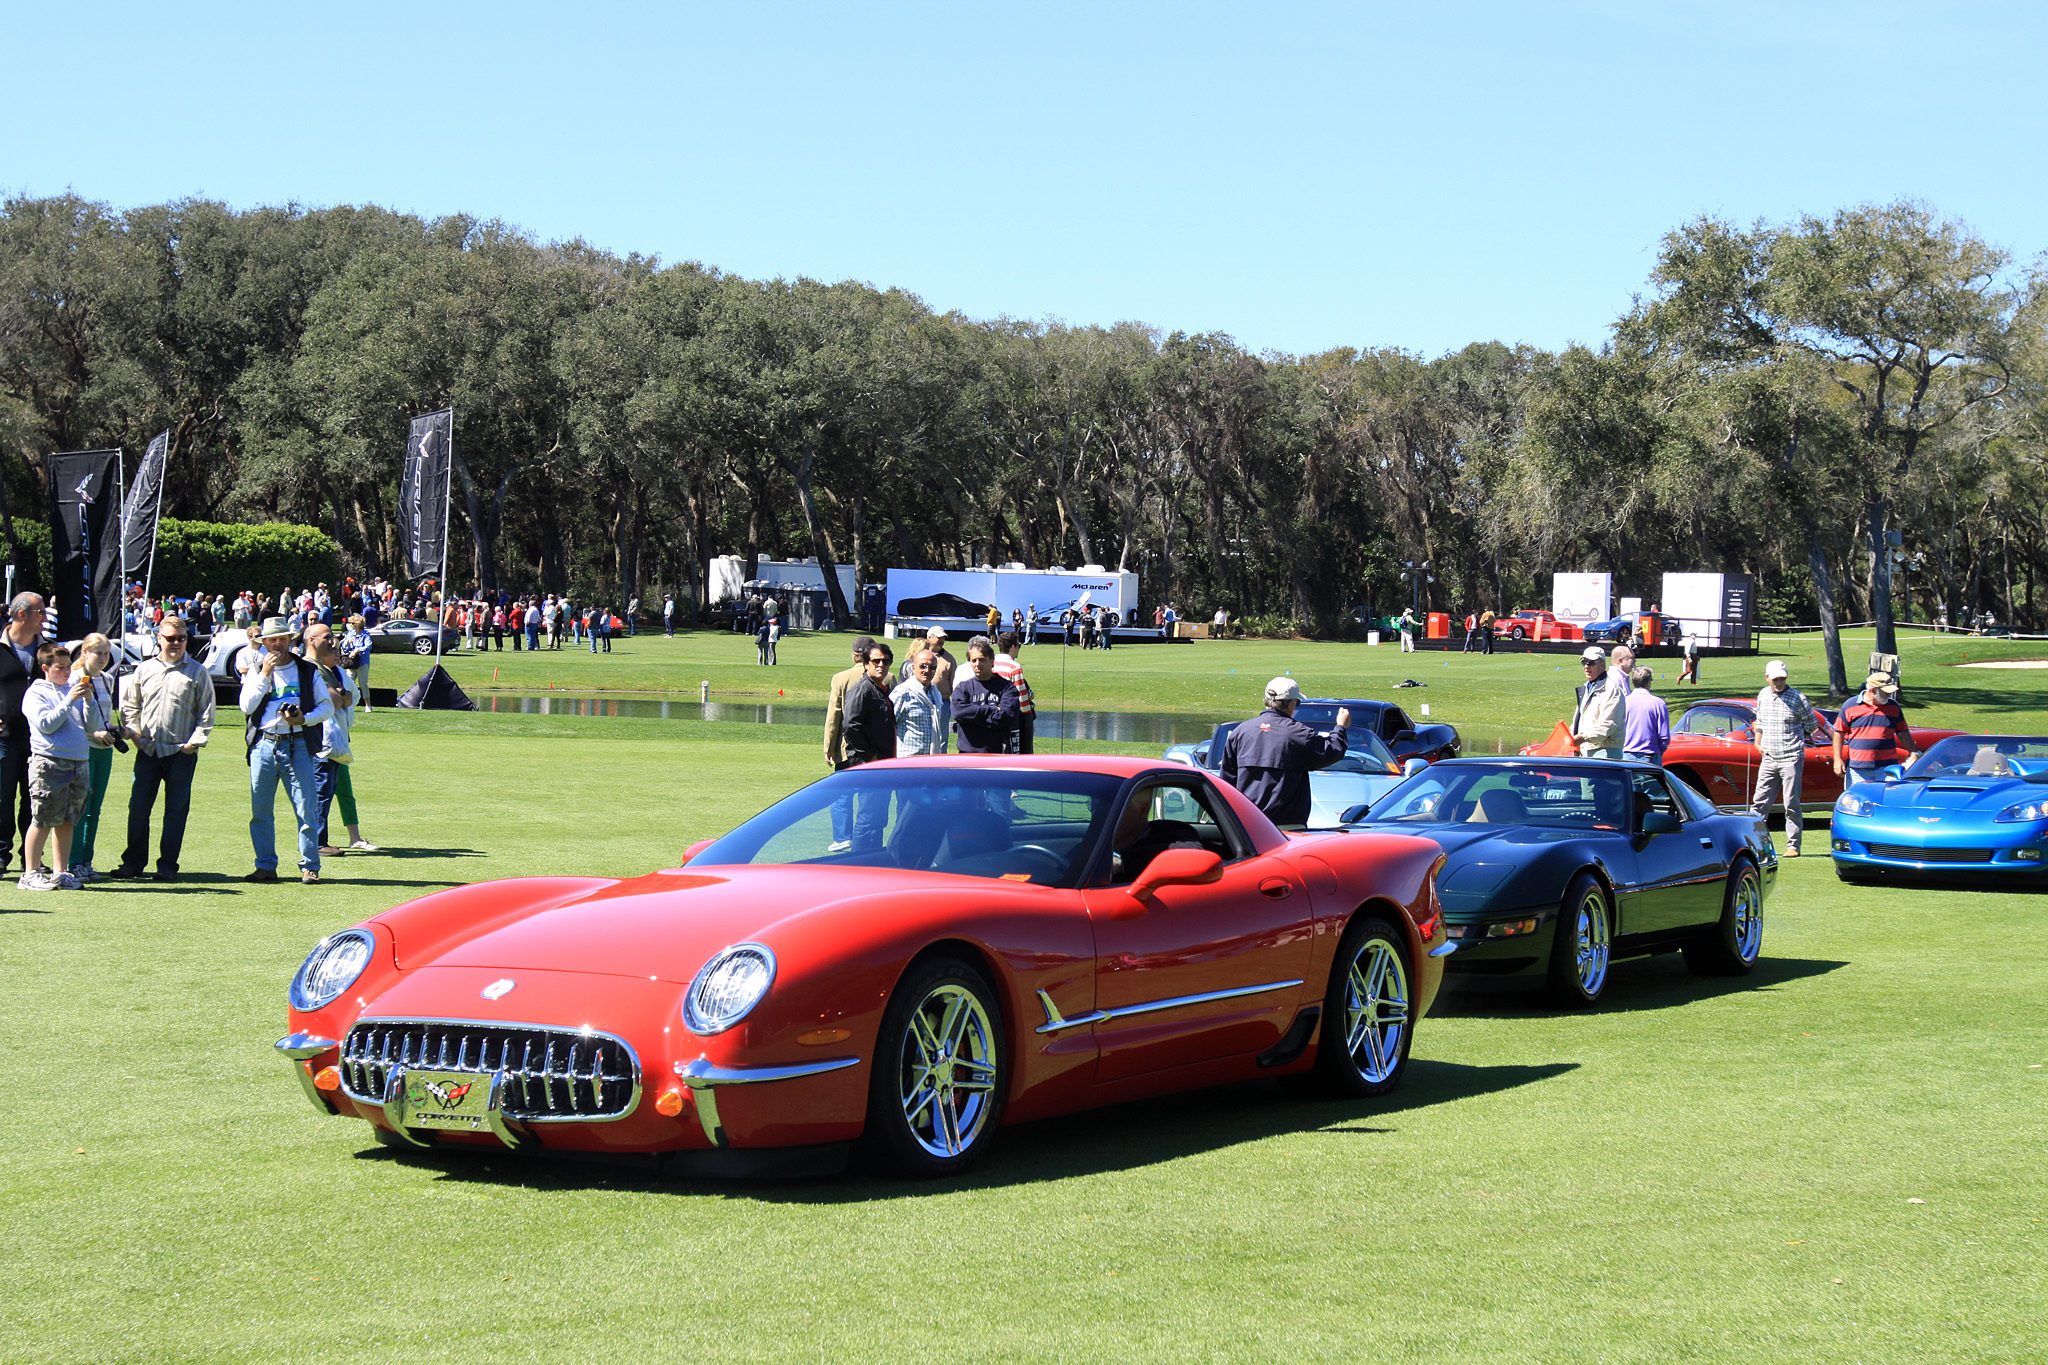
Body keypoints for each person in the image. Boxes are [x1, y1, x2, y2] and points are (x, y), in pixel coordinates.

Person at [109, 615, 214, 881]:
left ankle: (167, 865)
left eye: (181, 638)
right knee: (138, 809)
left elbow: (206, 712)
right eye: (171, 638)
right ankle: (133, 862)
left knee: (176, 812)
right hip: (148, 750)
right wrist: (133, 734)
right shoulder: (145, 669)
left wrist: (195, 742)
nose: (176, 643)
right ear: (159, 638)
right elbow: (130, 705)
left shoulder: (197, 671)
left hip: (181, 753)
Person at [239, 616, 334, 884]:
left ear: (290, 640)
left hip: (298, 743)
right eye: (271, 640)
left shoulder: (306, 670)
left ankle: (310, 866)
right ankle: (266, 866)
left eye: (282, 639)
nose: (277, 645)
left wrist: (303, 719)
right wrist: (264, 676)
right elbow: (246, 706)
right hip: (264, 744)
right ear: (263, 642)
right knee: (261, 811)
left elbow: (326, 707)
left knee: (306, 809)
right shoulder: (257, 669)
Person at [1219, 677, 1350, 828]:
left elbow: (1227, 780)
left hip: (1247, 825)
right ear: (1291, 703)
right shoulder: (1297, 732)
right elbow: (1331, 751)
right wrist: (1340, 727)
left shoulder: (1240, 731)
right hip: (1287, 826)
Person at [20, 641, 92, 889]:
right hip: (49, 763)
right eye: (60, 667)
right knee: (42, 819)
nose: (66, 671)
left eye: (68, 667)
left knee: (68, 820)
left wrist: (89, 702)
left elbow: (91, 726)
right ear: (45, 667)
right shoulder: (36, 693)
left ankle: (61, 872)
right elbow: (47, 724)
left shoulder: (71, 689)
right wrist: (70, 700)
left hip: (78, 762)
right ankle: (30, 873)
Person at [306, 623, 376, 856]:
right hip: (321, 742)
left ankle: (324, 841)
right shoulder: (309, 667)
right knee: (321, 791)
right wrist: (340, 696)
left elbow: (348, 697)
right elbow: (333, 700)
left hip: (336, 741)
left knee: (330, 790)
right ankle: (317, 843)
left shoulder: (333, 671)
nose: (333, 641)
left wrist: (340, 696)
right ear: (311, 640)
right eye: (327, 637)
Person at [0, 592, 51, 874]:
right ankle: (0, 854)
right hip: (4, 739)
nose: (45, 616)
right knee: (1, 799)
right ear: (22, 615)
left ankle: (31, 857)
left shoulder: (49, 649)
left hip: (39, 739)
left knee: (36, 799)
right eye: (40, 612)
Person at [1751, 659, 1819, 857]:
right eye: (1775, 679)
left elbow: (1812, 724)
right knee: (1759, 803)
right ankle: (1756, 845)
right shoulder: (1763, 695)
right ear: (1767, 678)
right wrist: (1757, 743)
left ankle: (1793, 845)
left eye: (1782, 678)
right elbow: (1760, 721)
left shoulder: (1798, 698)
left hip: (1791, 757)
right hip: (1769, 756)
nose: (1779, 682)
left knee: (1791, 803)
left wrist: (1797, 741)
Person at [67, 633, 121, 882]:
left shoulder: (107, 678)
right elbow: (70, 718)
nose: (102, 657)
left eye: (106, 653)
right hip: (83, 749)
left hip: (104, 750)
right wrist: (94, 733)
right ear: (85, 652)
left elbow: (106, 715)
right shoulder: (75, 678)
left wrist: (111, 732)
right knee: (80, 807)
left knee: (95, 809)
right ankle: (73, 861)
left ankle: (86, 861)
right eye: (98, 652)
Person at [1832, 670, 1916, 785]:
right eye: (1885, 692)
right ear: (1873, 690)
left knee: (1887, 799)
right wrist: (1837, 760)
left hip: (1887, 769)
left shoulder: (1894, 707)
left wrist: (1913, 753)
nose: (1889, 694)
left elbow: (1903, 732)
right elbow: (1839, 732)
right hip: (1858, 769)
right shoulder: (1850, 705)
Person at [952, 636, 1021, 754]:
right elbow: (958, 713)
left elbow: (1006, 717)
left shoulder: (1007, 688)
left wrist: (972, 719)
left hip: (997, 755)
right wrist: (991, 709)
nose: (977, 664)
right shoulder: (963, 688)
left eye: (982, 659)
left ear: (992, 661)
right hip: (966, 754)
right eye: (973, 660)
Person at [1570, 646, 1627, 759]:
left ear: (1602, 664)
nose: (1586, 666)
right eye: (1584, 662)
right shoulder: (1586, 688)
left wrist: (1583, 737)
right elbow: (1579, 720)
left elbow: (1608, 724)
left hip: (1606, 752)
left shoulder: (1611, 689)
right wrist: (1571, 736)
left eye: (1591, 662)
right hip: (1585, 750)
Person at [891, 649, 948, 756]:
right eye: (922, 666)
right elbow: (887, 727)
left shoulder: (936, 694)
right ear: (913, 668)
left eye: (932, 667)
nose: (927, 670)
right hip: (907, 759)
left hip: (929, 761)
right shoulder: (902, 692)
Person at [992, 631, 1036, 754]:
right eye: (1018, 646)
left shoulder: (990, 662)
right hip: (1011, 716)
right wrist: (1028, 720)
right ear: (1012, 647)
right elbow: (1021, 697)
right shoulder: (1014, 666)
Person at [1622, 666, 1671, 765]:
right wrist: (1660, 750)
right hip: (1650, 755)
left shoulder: (1624, 702)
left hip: (1626, 755)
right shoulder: (1658, 703)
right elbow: (1664, 736)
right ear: (1648, 681)